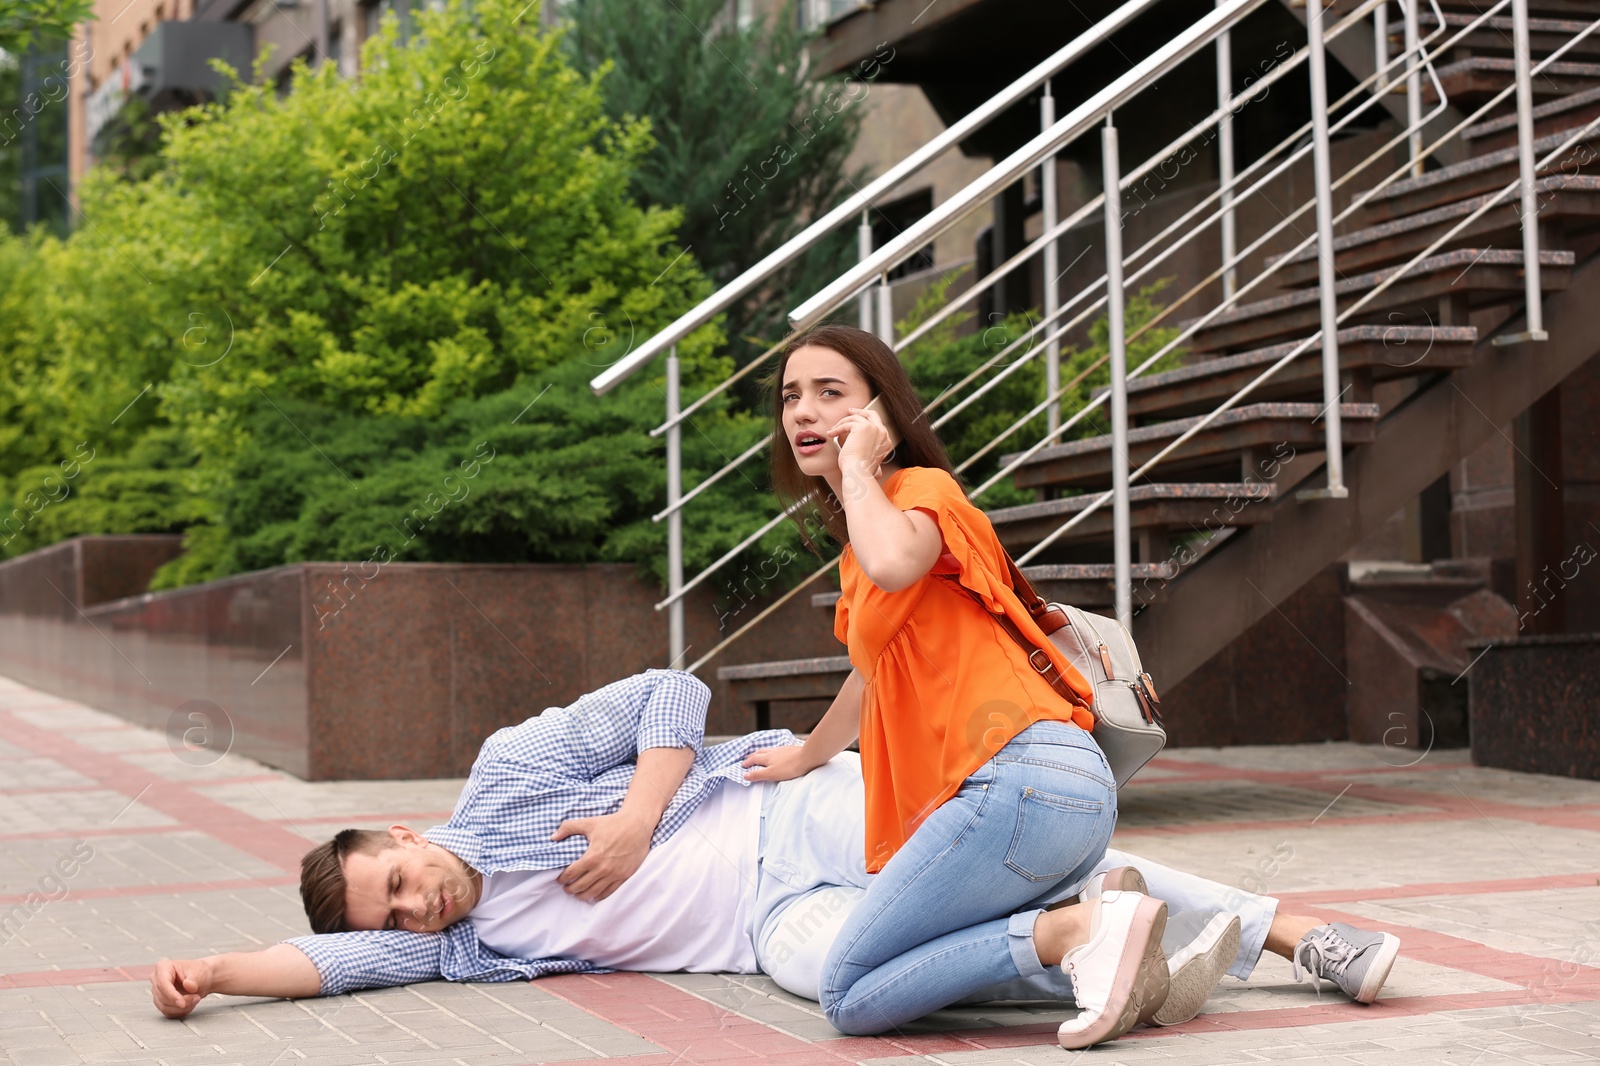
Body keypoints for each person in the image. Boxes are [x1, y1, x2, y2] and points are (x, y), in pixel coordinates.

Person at [148, 669, 1401, 1024]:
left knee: (1046, 863)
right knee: (836, 974)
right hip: (764, 931)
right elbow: (320, 967)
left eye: (399, 880)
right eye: (396, 916)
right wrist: (207, 970)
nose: (416, 907)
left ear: (409, 833)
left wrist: (638, 818)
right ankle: (1084, 948)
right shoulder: (462, 953)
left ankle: (1303, 935)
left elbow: (669, 694)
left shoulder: (507, 776)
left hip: (783, 813)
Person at [742, 323, 1172, 1046]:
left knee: (847, 992)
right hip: (1042, 797)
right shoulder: (869, 530)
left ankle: (1079, 927)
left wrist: (857, 472)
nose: (803, 413)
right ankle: (1104, 936)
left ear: (880, 413)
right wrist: (805, 757)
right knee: (900, 965)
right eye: (791, 397)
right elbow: (869, 679)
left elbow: (893, 564)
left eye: (829, 393)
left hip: (1018, 781)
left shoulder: (923, 494)